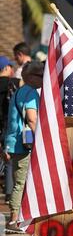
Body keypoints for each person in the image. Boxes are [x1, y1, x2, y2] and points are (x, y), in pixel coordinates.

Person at [3, 61, 44, 233]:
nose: (43, 79)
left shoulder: (18, 91)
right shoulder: (31, 94)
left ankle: (16, 217)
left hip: (13, 142)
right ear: (31, 77)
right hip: (25, 144)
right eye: (41, 76)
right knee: (21, 182)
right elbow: (32, 119)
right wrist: (41, 139)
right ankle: (14, 219)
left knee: (18, 180)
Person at [0, 56, 21, 204]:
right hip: (8, 123)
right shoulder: (13, 83)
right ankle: (8, 193)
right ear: (6, 68)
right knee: (8, 159)